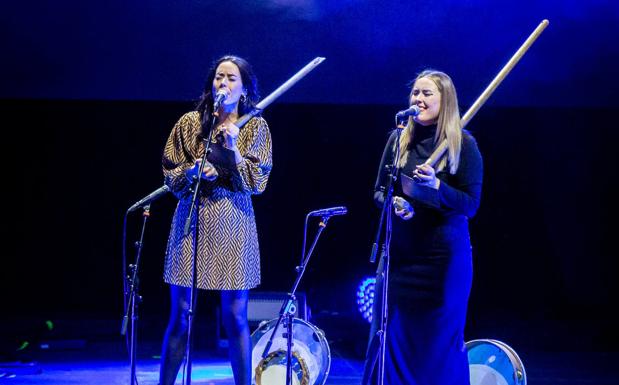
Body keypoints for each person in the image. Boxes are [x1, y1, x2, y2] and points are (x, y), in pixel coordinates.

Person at [159, 55, 272, 385]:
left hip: (233, 223)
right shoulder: (190, 124)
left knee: (235, 317)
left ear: (245, 88)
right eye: (219, 77)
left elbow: (257, 183)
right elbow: (170, 173)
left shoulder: (255, 126)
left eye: (232, 78)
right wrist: (193, 171)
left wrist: (233, 152)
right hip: (192, 221)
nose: (224, 83)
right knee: (180, 317)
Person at [368, 69, 483, 385]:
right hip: (401, 257)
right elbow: (380, 191)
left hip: (442, 260)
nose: (418, 99)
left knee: (436, 344)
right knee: (391, 336)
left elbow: (470, 204)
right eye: (415, 93)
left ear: (445, 100)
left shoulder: (462, 143)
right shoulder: (399, 139)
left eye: (426, 93)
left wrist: (436, 187)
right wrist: (393, 203)